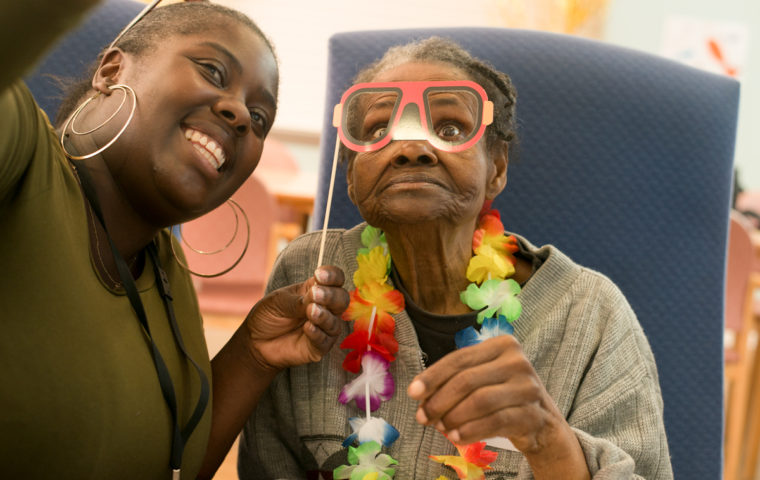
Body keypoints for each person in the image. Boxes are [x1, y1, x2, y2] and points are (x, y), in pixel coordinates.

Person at [238, 37, 673, 479]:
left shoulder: (591, 316)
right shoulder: (309, 281)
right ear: (350, 176)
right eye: (377, 130)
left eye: (448, 129)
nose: (411, 148)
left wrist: (547, 439)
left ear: (496, 168)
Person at [0, 1, 349, 479]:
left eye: (260, 117)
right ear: (111, 70)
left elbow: (173, 466)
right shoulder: (20, 153)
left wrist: (252, 352)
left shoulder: (166, 271)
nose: (241, 114)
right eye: (212, 70)